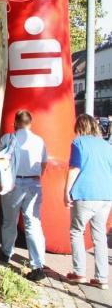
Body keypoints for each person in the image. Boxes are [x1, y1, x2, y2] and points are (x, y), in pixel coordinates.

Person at [64, 114, 112, 290]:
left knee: (77, 231)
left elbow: (75, 168)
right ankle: (102, 278)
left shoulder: (78, 143)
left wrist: (66, 191)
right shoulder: (107, 146)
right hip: (106, 195)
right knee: (99, 236)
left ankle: (79, 273)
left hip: (85, 193)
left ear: (79, 127)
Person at [0, 110, 47, 282]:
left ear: (16, 122)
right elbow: (44, 164)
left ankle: (6, 253)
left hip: (13, 183)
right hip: (34, 183)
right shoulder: (39, 141)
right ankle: (38, 264)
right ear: (30, 122)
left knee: (9, 221)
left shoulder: (8, 139)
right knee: (33, 224)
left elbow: (0, 160)